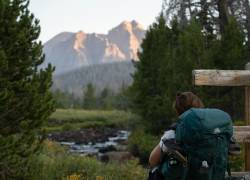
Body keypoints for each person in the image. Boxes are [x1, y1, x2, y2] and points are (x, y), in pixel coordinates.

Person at [148, 91, 233, 180]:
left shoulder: (173, 133)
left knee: (155, 170)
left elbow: (152, 161)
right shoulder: (218, 132)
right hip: (213, 176)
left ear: (178, 111)